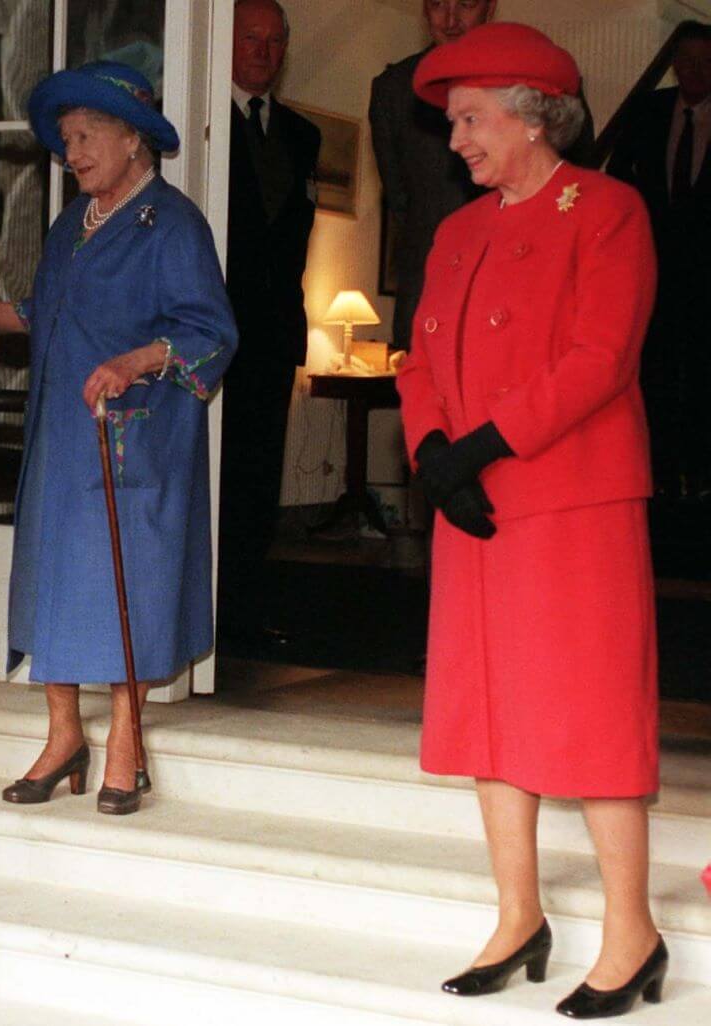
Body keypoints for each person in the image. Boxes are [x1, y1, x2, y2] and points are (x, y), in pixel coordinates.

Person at [399, 23, 665, 1019]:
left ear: (530, 113)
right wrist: (432, 450)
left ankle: (631, 931)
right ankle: (520, 916)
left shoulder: (606, 210)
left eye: (469, 120)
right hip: (472, 507)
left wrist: (483, 446)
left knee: (589, 713)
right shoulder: (457, 232)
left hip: (570, 498)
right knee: (487, 712)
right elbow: (418, 355)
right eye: (453, 123)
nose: (457, 140)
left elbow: (601, 357)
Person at [0, 61, 237, 816]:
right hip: (63, 430)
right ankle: (63, 735)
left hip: (136, 433)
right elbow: (52, 312)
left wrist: (138, 360)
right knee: (54, 581)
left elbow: (210, 331)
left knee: (128, 581)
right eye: (66, 139)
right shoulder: (73, 223)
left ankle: (127, 741)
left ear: (133, 139)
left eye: (85, 136)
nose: (71, 153)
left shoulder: (173, 224)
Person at [369, 0, 597, 350]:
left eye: (465, 5)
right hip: (433, 291)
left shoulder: (536, 77)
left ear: (490, 9)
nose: (450, 19)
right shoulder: (395, 88)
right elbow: (401, 201)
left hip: (525, 288)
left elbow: (576, 179)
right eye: (437, 5)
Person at [219, 0, 320, 646]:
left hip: (275, 334)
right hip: (214, 333)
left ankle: (247, 615)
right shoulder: (199, 123)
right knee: (218, 477)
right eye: (251, 38)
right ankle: (213, 618)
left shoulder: (302, 137)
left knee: (260, 479)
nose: (264, 51)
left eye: (275, 41)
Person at [609, 20, 711, 499]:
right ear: (674, 65)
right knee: (655, 374)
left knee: (703, 376)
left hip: (706, 275)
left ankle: (702, 477)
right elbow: (618, 179)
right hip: (652, 268)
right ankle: (662, 478)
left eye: (706, 62)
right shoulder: (649, 111)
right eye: (687, 60)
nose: (695, 70)